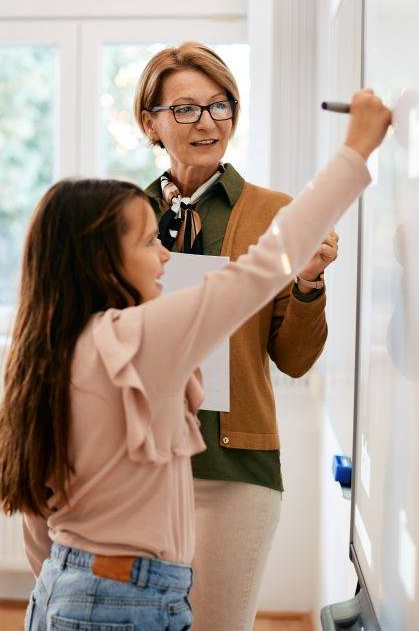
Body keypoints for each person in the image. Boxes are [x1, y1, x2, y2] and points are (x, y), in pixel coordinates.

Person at [0, 90, 390, 630]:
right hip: (121, 602)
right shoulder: (136, 337)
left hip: (68, 589)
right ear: (101, 259)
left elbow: (40, 531)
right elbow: (263, 268)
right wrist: (358, 147)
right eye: (150, 243)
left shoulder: (50, 349)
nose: (165, 257)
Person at [135, 41, 338, 629]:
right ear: (151, 122)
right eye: (185, 109)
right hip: (138, 463)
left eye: (220, 105)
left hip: (234, 466)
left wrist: (307, 283)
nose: (207, 122)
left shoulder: (280, 215)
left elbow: (295, 360)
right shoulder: (125, 216)